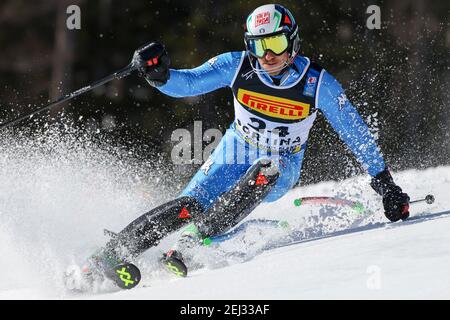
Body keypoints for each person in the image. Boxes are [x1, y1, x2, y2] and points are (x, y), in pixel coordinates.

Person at [81, 4, 410, 287]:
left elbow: (354, 131)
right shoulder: (237, 66)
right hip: (235, 149)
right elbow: (189, 83)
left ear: (292, 42)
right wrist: (158, 74)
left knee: (266, 170)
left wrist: (384, 182)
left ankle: (195, 241)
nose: (267, 56)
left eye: (277, 44)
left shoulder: (316, 83)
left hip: (282, 163)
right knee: (189, 204)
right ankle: (105, 259)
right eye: (259, 46)